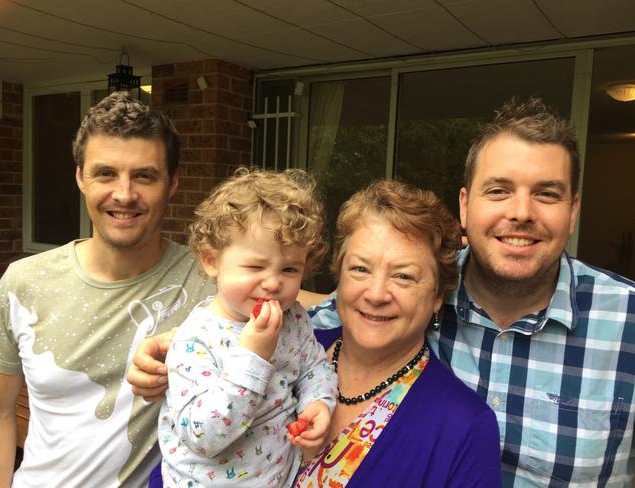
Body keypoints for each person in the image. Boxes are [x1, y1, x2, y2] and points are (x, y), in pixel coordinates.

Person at [311, 98, 635, 486]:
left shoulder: (626, 323)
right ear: (465, 206)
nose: (521, 213)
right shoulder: (417, 285)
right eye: (498, 190)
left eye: (546, 194)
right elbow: (335, 311)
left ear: (573, 211)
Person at [132, 181, 502, 487]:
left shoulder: (465, 428)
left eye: (404, 276)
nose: (376, 293)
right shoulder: (288, 341)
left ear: (437, 296)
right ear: (337, 278)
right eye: (359, 269)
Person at [0, 92, 215, 487]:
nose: (124, 194)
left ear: (173, 183)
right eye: (105, 173)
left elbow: (309, 302)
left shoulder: (210, 282)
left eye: (145, 175)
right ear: (80, 178)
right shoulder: (24, 282)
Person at [157, 168, 337, 487]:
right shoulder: (195, 340)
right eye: (255, 266)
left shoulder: (293, 317)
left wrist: (317, 403)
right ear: (211, 260)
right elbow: (203, 436)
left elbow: (314, 368)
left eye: (290, 269)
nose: (272, 283)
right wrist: (253, 358)